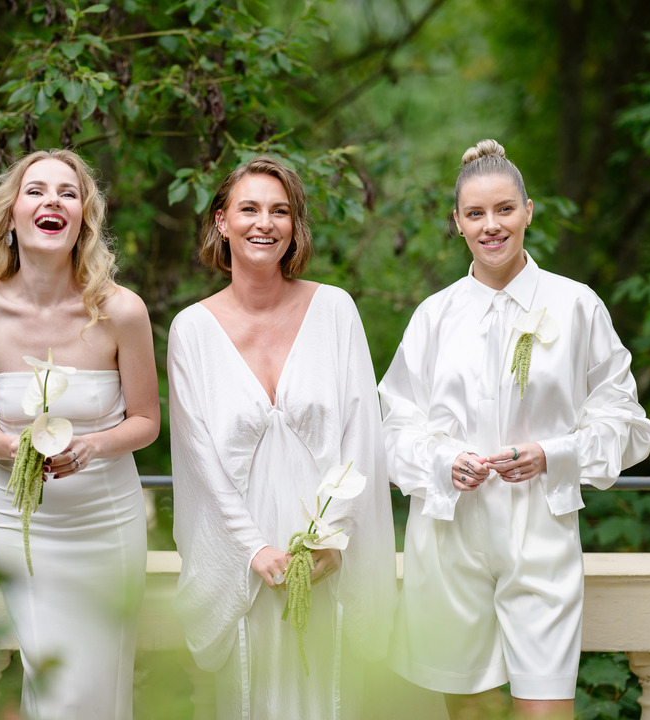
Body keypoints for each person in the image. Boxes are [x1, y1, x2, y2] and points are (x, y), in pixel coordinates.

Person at [379, 139, 650, 719]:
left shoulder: (577, 306)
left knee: (545, 712)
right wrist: (440, 464)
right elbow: (391, 424)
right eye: (475, 214)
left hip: (542, 533)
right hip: (451, 533)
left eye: (504, 209)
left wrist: (553, 453)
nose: (491, 226)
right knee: (472, 713)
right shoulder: (434, 316)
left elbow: (627, 423)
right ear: (456, 223)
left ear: (529, 210)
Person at [167, 156, 397, 719]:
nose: (263, 223)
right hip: (242, 556)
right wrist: (254, 551)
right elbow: (198, 460)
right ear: (222, 221)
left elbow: (361, 434)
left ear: (294, 227)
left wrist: (330, 536)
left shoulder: (335, 310)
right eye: (249, 209)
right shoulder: (190, 330)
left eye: (280, 211)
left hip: (326, 552)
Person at [0, 149, 160, 720]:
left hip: (108, 522)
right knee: (53, 681)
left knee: (99, 683)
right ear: (10, 215)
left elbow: (146, 421)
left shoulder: (122, 311)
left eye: (68, 193)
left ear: (83, 219)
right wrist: (13, 448)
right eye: (36, 190)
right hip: (24, 524)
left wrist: (93, 445)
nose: (52, 202)